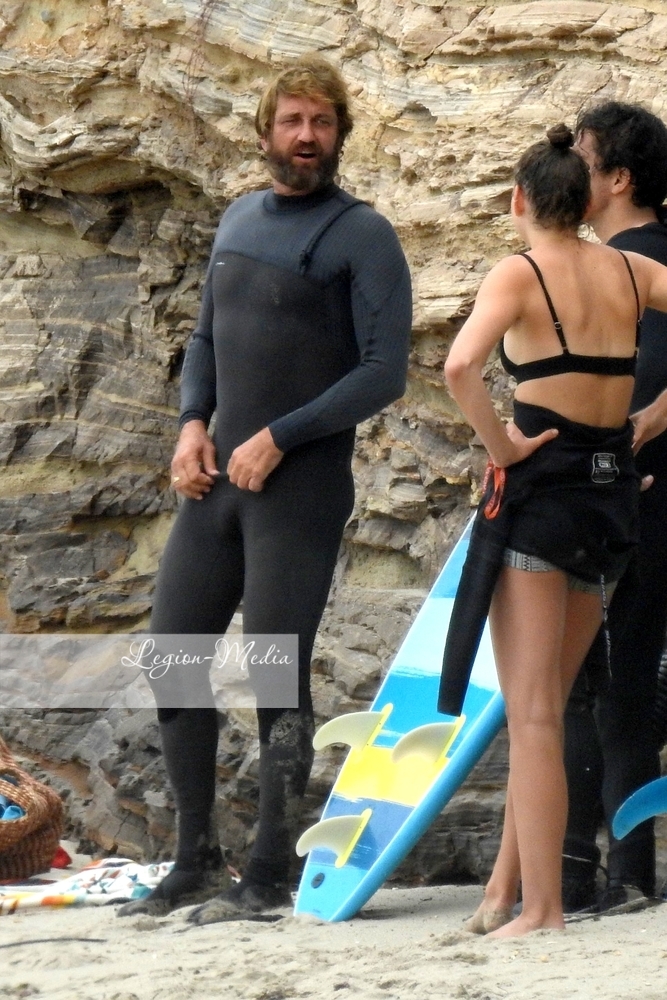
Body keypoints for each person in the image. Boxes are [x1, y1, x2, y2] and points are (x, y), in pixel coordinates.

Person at [118, 55, 412, 923]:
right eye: (292, 120)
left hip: (298, 490)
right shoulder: (240, 218)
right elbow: (207, 336)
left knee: (275, 674)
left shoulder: (362, 235)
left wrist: (281, 437)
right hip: (216, 484)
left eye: (321, 122)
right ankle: (192, 861)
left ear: (340, 133)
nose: (306, 136)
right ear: (264, 131)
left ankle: (269, 871)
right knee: (173, 660)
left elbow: (383, 373)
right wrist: (191, 423)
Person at [440, 124, 667, 937]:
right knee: (548, 700)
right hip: (611, 503)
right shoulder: (628, 269)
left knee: (533, 713)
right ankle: (505, 892)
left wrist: (500, 447)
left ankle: (540, 910)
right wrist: (657, 411)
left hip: (543, 499)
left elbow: (458, 368)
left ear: (520, 199)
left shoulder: (520, 272)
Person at [562, 102, 667, 912]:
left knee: (607, 684)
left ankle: (612, 873)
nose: (569, 171)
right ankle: (616, 871)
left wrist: (633, 434)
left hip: (639, 500)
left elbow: (642, 391)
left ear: (619, 179)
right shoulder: (622, 260)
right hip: (631, 493)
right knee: (619, 683)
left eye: (583, 158)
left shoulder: (638, 261)